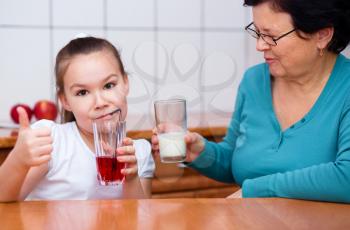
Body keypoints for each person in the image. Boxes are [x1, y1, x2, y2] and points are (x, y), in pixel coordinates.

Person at [152, 0, 350, 203]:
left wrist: (256, 190)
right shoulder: (253, 82)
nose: (259, 45)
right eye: (257, 33)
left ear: (322, 35)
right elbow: (236, 162)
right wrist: (200, 153)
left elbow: (346, 178)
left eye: (271, 36)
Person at [0, 36, 155, 201]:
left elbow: (139, 220)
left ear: (125, 83)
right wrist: (18, 159)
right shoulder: (52, 141)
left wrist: (131, 178)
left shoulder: (140, 152)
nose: (100, 102)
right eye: (82, 92)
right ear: (65, 100)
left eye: (109, 85)